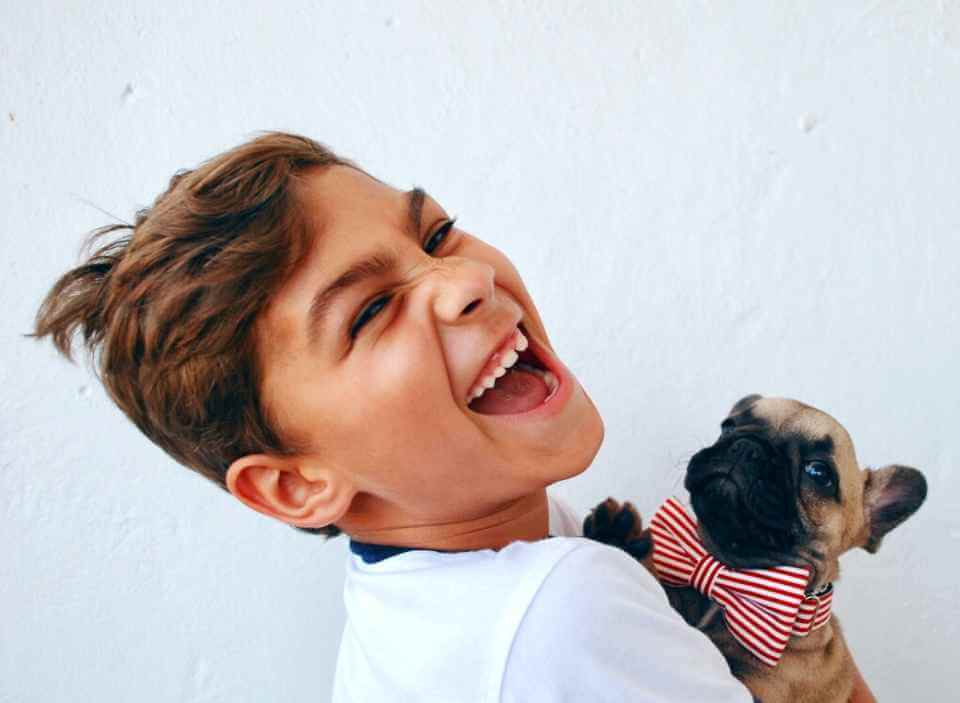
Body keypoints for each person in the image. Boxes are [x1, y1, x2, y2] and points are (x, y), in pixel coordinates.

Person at [30, 131, 875, 702]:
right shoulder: (560, 610)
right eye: (366, 313)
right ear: (295, 485)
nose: (463, 279)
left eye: (436, 236)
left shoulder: (422, 605)